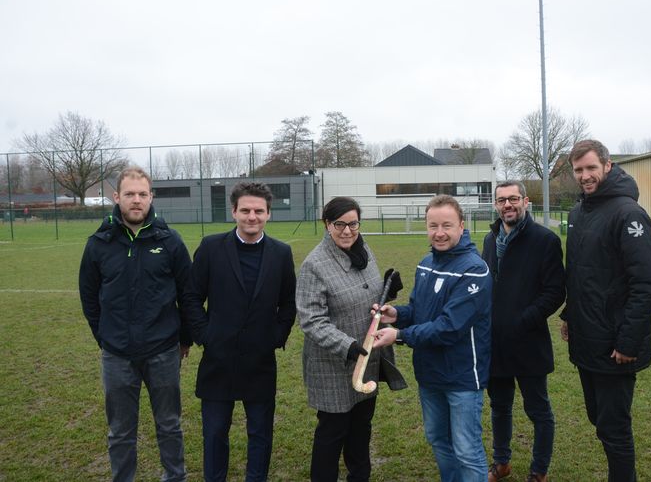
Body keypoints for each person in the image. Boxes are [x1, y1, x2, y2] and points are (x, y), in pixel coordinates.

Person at [79, 166, 191, 482]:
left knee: (169, 424)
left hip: (163, 351)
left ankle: (175, 477)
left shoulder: (170, 241)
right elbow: (89, 297)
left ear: (151, 197)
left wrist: (184, 338)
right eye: (130, 194)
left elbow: (188, 292)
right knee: (120, 430)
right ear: (117, 197)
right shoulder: (99, 243)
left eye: (143, 194)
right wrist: (104, 337)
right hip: (117, 354)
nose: (136, 200)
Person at [560, 140, 651, 482]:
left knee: (615, 429)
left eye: (590, 168)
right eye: (578, 170)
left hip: (616, 345)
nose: (585, 176)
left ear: (607, 165)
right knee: (600, 421)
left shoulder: (628, 213)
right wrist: (568, 315)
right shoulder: (578, 212)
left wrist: (629, 342)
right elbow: (580, 274)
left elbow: (646, 284)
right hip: (587, 338)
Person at [182, 182, 297, 482]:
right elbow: (192, 296)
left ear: (269, 214)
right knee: (215, 433)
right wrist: (205, 334)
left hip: (260, 361)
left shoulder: (281, 253)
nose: (252, 216)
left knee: (260, 433)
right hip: (218, 360)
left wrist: (276, 336)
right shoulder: (211, 247)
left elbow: (288, 302)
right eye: (245, 210)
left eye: (259, 211)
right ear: (233, 211)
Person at [373, 194, 492, 482]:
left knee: (466, 448)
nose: (439, 233)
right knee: (438, 439)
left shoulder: (475, 269)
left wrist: (399, 335)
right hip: (430, 374)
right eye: (433, 225)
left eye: (447, 226)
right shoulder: (427, 262)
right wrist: (396, 314)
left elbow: (450, 327)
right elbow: (419, 310)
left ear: (462, 226)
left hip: (462, 377)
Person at [296, 196, 407, 482]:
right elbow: (311, 321)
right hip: (334, 366)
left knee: (361, 429)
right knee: (332, 434)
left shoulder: (363, 249)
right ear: (327, 224)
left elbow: (367, 294)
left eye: (353, 224)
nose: (347, 231)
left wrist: (388, 291)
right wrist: (348, 347)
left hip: (367, 359)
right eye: (339, 224)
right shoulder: (314, 265)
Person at [482, 181, 565, 482]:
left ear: (525, 201)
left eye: (513, 199)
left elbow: (555, 291)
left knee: (538, 410)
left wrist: (524, 320)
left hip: (529, 341)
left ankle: (538, 471)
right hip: (496, 342)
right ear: (495, 205)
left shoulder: (545, 240)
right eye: (502, 200)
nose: (508, 205)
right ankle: (501, 463)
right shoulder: (490, 240)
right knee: (499, 406)